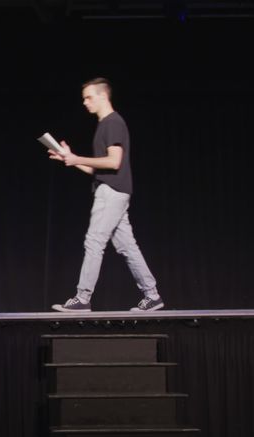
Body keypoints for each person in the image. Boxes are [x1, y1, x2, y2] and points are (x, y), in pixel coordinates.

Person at [48, 77, 163, 312]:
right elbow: (98, 168)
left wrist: (76, 158)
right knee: (127, 246)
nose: (85, 102)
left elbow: (114, 161)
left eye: (89, 97)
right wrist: (69, 159)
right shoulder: (106, 125)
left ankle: (82, 298)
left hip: (111, 192)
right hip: (113, 190)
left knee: (94, 241)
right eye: (83, 98)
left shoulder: (112, 123)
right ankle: (152, 295)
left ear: (103, 96)